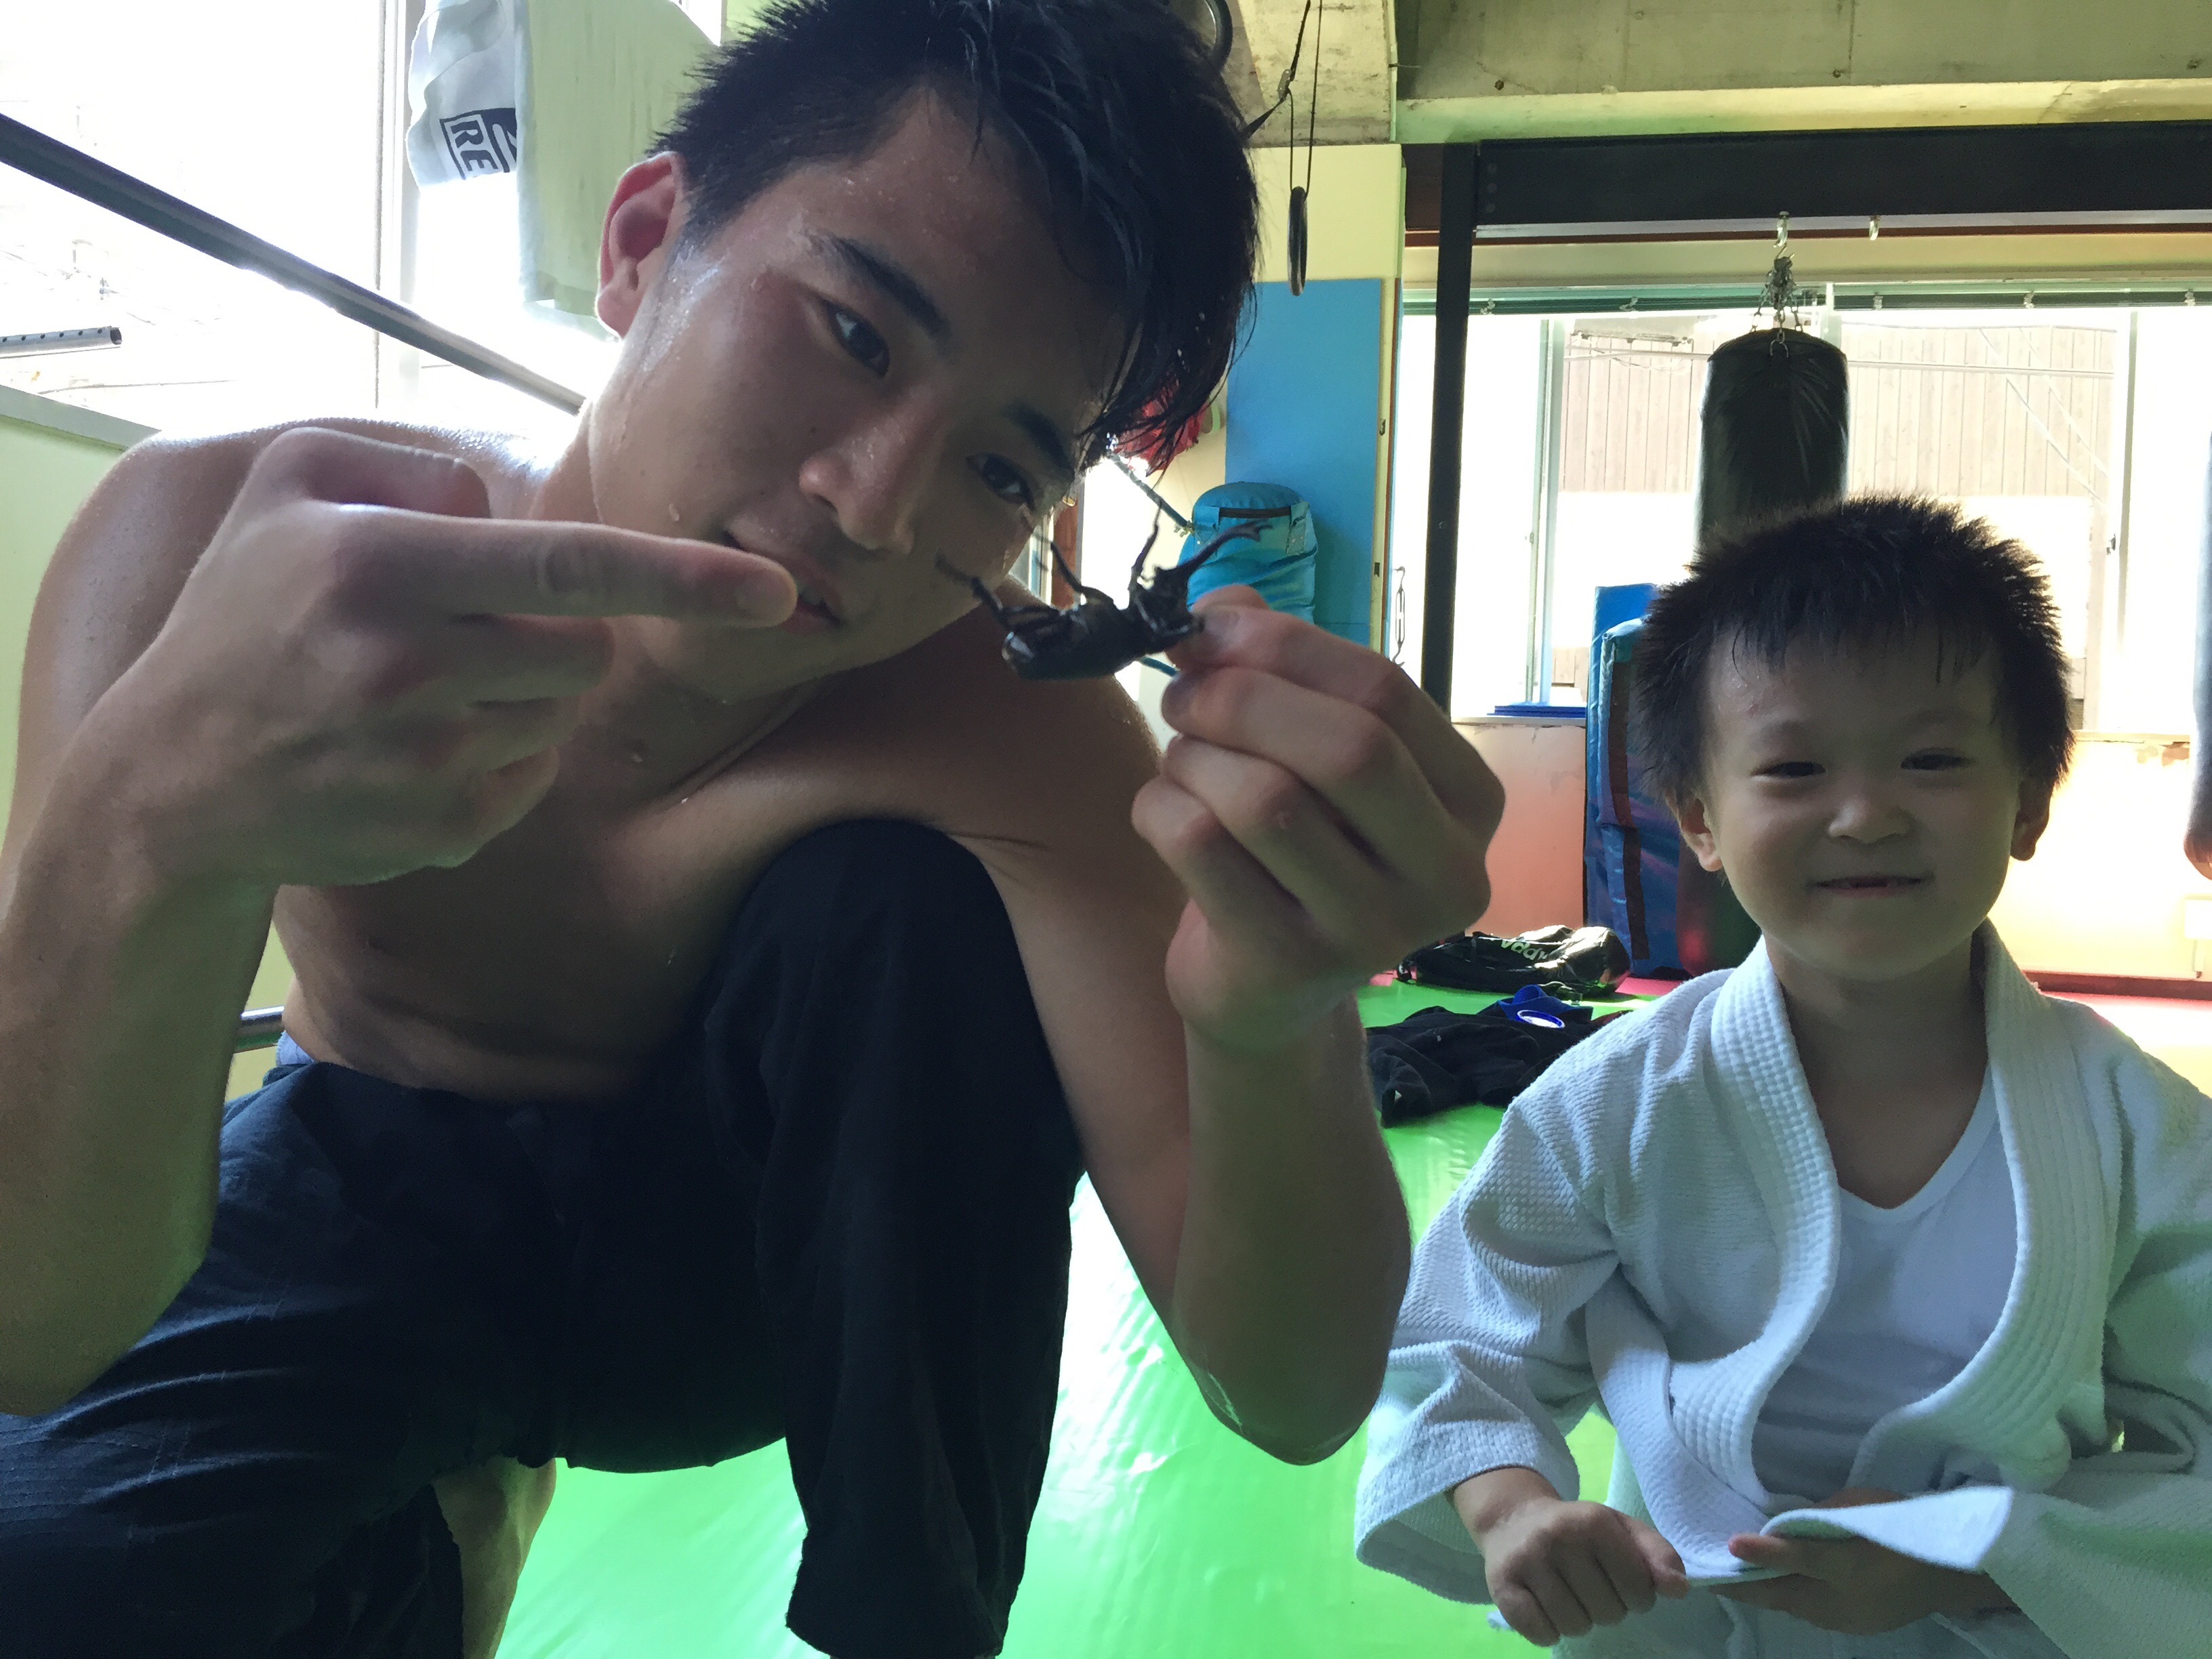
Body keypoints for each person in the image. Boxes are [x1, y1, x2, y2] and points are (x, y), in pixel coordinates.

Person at [0, 3, 1503, 1654]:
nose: (877, 505)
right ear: (643, 244)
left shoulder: (1016, 739)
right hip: (351, 1190)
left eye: (1001, 472)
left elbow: (1289, 1393)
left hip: (733, 1279)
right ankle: (441, 1544)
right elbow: (31, 1326)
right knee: (48, 1572)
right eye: (856, 334)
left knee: (905, 906)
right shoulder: (216, 553)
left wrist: (1281, 1010)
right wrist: (154, 825)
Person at [1355, 496, 2212, 1658]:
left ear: (2027, 801)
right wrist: (1512, 1510)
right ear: (1701, 820)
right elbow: (1463, 1336)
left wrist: (1977, 1557)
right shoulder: (1620, 1095)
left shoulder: (2138, 1125)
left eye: (1931, 759)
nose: (1865, 815)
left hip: (1993, 1627)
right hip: (1675, 1624)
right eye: (1796, 767)